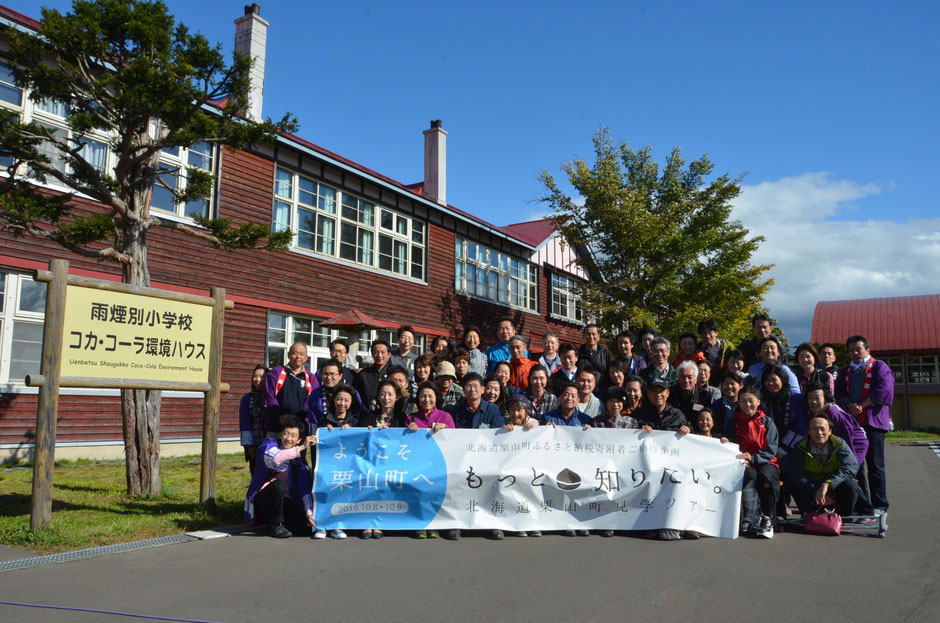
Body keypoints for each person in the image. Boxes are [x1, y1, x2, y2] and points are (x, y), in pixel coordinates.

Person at [834, 335, 894, 514]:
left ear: (867, 350)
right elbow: (839, 392)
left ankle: (879, 504)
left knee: (875, 465)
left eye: (858, 349)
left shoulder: (879, 367)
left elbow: (884, 390)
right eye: (851, 350)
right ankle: (862, 506)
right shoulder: (845, 371)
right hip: (852, 424)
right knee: (856, 466)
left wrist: (862, 405)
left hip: (873, 422)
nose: (854, 353)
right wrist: (848, 405)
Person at [244, 416, 317, 538]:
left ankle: (283, 523)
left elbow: (305, 488)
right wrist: (303, 447)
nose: (288, 438)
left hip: (285, 501)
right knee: (278, 485)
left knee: (304, 529)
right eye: (286, 434)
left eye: (293, 436)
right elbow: (276, 459)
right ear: (280, 434)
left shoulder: (299, 461)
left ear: (298, 439)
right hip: (264, 499)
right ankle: (273, 525)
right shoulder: (269, 445)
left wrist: (309, 512)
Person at [804, 384, 871, 515]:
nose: (813, 401)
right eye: (810, 398)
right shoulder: (815, 413)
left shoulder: (833, 413)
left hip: (856, 445)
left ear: (825, 398)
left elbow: (848, 436)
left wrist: (849, 459)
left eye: (817, 398)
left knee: (853, 476)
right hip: (842, 445)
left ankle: (866, 511)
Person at [783, 413, 861, 520]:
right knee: (793, 483)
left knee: (851, 485)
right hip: (811, 487)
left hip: (833, 485)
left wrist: (828, 484)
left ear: (830, 431)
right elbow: (796, 475)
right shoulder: (800, 447)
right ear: (809, 432)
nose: (819, 433)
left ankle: (844, 518)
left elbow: (850, 467)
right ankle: (808, 514)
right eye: (814, 429)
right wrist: (816, 491)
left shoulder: (840, 444)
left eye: (822, 429)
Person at [726, 387, 779, 539]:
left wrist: (753, 457)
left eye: (751, 400)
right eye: (743, 401)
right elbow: (731, 444)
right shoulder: (733, 421)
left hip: (766, 461)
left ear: (758, 402)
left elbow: (771, 449)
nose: (747, 404)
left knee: (765, 476)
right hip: (742, 462)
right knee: (747, 474)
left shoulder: (767, 422)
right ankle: (751, 514)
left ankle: (766, 518)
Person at [405, 382, 455, 540]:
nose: (426, 399)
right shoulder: (410, 418)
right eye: (423, 396)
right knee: (419, 493)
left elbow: (455, 440)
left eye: (430, 396)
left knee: (437, 493)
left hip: (439, 462)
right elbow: (404, 444)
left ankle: (436, 525)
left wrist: (445, 430)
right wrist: (408, 431)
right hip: (418, 463)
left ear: (436, 398)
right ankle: (420, 524)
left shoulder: (445, 417)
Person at [262, 342, 319, 436]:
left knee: (297, 451)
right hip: (276, 425)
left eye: (301, 354)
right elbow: (269, 396)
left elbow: (312, 402)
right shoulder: (276, 373)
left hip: (299, 427)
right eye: (295, 353)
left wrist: (295, 417)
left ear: (306, 358)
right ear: (288, 355)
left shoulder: (311, 378)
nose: (298, 357)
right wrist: (282, 417)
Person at [503, 396, 541, 537]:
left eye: (519, 410)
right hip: (511, 468)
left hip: (529, 467)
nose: (516, 414)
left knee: (530, 497)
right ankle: (518, 525)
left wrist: (532, 429)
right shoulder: (505, 424)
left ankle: (533, 525)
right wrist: (505, 431)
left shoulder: (533, 423)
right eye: (512, 410)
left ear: (526, 411)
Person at [309, 359, 362, 427]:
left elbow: (358, 414)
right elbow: (313, 421)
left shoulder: (351, 392)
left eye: (332, 374)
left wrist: (350, 425)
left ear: (340, 375)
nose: (328, 377)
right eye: (325, 374)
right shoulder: (315, 395)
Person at [239, 365, 267, 473]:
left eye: (261, 376)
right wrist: (249, 447)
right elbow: (245, 424)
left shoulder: (272, 396)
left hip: (270, 442)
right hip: (255, 443)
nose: (258, 379)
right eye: (255, 376)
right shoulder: (247, 399)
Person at [354, 340, 392, 411]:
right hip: (367, 415)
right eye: (376, 352)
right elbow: (357, 396)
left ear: (389, 355)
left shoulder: (393, 373)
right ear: (372, 354)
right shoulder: (364, 374)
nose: (379, 355)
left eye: (382, 352)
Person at [697, 318, 734, 382]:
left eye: (710, 332)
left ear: (716, 333)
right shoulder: (698, 349)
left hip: (726, 381)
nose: (707, 336)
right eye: (704, 333)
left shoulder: (727, 347)